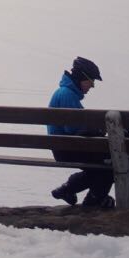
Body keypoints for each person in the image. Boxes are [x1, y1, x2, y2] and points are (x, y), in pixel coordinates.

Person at [47, 56, 115, 208]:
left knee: (101, 168)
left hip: (66, 147)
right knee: (111, 166)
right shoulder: (67, 95)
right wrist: (96, 130)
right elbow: (72, 129)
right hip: (68, 148)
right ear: (82, 77)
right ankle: (93, 204)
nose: (92, 85)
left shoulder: (66, 93)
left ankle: (68, 190)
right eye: (91, 80)